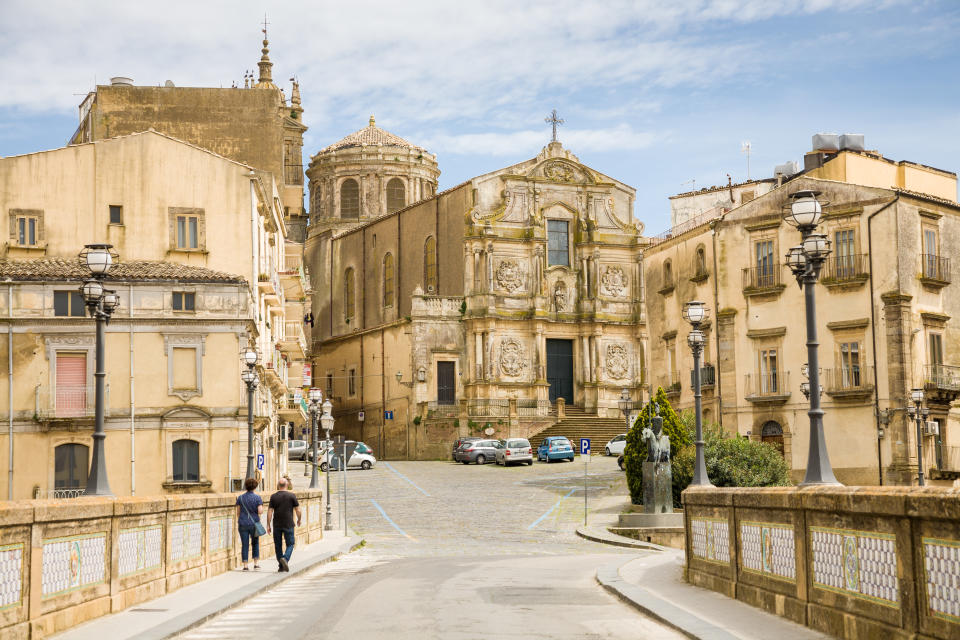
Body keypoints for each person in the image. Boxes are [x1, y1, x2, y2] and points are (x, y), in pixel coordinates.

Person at [267, 477, 301, 572]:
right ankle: (285, 559)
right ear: (287, 485)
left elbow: (270, 511)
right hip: (289, 523)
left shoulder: (273, 496)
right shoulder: (292, 496)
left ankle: (281, 566)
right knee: (290, 543)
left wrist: (268, 524)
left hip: (277, 524)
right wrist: (299, 519)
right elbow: (298, 510)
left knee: (278, 545)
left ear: (278, 485)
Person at [235, 477, 263, 571]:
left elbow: (238, 512)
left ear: (246, 486)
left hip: (243, 523)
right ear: (255, 487)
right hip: (254, 523)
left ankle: (245, 565)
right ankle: (256, 563)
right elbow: (260, 511)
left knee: (244, 544)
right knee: (255, 543)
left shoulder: (240, 498)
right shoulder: (257, 498)